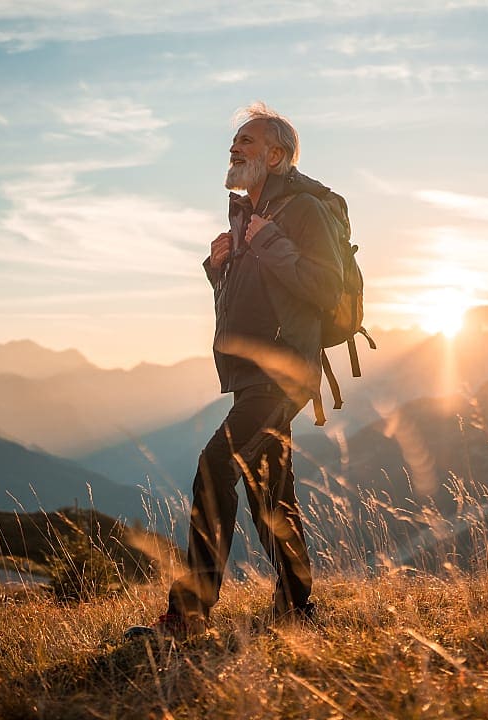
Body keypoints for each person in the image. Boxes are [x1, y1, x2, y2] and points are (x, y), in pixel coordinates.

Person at [138, 103, 344, 637]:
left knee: (214, 469)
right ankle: (298, 609)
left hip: (285, 371)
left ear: (276, 155)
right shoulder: (245, 212)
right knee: (269, 491)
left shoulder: (302, 211)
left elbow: (326, 288)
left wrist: (269, 245)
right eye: (234, 141)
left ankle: (188, 615)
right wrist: (218, 271)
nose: (235, 148)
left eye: (247, 141)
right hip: (252, 374)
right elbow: (256, 299)